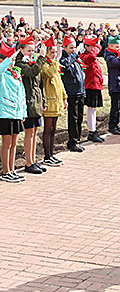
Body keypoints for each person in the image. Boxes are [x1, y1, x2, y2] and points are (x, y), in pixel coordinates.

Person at [15, 35, 47, 175]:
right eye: (29, 50)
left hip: (36, 102)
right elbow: (33, 73)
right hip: (28, 103)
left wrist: (43, 100)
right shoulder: (20, 64)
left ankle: (33, 160)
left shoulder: (32, 62)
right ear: (21, 50)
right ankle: (28, 162)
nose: (31, 53)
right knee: (29, 133)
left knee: (34, 132)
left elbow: (40, 84)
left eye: (33, 50)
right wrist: (42, 58)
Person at [0, 44, 25, 182]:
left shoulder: (14, 73)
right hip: (5, 113)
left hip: (16, 113)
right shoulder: (2, 74)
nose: (12, 62)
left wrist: (23, 113)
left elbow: (21, 95)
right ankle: (5, 171)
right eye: (9, 60)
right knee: (7, 143)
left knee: (14, 143)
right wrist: (9, 59)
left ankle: (12, 169)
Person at [41, 36, 67, 166]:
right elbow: (50, 74)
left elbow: (59, 82)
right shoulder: (45, 65)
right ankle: (47, 156)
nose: (54, 54)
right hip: (49, 102)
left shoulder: (54, 64)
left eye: (55, 52)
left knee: (53, 129)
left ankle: (51, 154)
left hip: (57, 101)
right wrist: (56, 61)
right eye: (52, 52)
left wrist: (64, 97)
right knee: (48, 129)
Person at [60, 35, 86, 153]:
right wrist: (74, 55)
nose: (73, 50)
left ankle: (78, 138)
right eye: (70, 48)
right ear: (64, 48)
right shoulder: (65, 58)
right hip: (72, 92)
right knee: (73, 117)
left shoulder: (75, 58)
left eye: (74, 47)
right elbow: (64, 66)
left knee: (80, 116)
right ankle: (72, 141)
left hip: (80, 91)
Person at [79, 36, 105, 143]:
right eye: (91, 46)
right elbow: (93, 54)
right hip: (90, 85)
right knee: (91, 109)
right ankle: (91, 131)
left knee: (93, 109)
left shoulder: (90, 55)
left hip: (95, 85)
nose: (94, 48)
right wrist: (97, 45)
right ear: (86, 47)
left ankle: (93, 130)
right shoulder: (85, 57)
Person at [104, 35, 120, 135]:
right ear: (110, 45)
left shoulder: (116, 54)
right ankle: (112, 125)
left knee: (119, 106)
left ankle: (116, 124)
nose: (119, 48)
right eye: (116, 46)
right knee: (115, 106)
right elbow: (119, 62)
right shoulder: (109, 56)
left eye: (119, 46)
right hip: (114, 85)